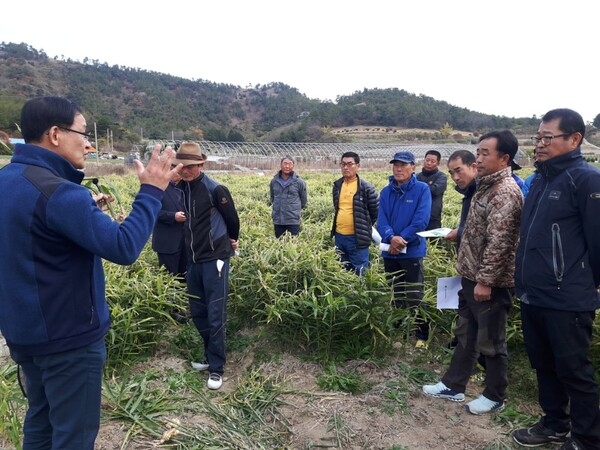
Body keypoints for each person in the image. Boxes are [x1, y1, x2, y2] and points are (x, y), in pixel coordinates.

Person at [0, 96, 179, 449]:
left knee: (41, 419)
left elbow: (30, 236)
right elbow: (124, 247)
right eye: (82, 133)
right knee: (73, 436)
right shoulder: (61, 193)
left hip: (23, 335)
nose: (89, 143)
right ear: (55, 134)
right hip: (67, 340)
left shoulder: (8, 180)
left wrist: (82, 217)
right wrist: (151, 192)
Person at [512, 109, 600, 450]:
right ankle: (553, 423)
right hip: (534, 293)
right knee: (544, 364)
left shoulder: (586, 179)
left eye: (548, 138)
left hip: (567, 297)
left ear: (574, 139)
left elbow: (597, 239)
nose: (540, 144)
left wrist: (588, 283)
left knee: (574, 370)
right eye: (538, 138)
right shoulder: (541, 180)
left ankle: (586, 438)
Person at [422, 130, 523, 415]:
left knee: (491, 341)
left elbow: (500, 243)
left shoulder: (505, 192)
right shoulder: (484, 187)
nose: (478, 158)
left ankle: (495, 395)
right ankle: (453, 385)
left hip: (488, 283)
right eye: (477, 153)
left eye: (484, 154)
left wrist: (486, 281)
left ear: (504, 158)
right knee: (466, 334)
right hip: (470, 276)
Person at [176, 142, 240, 390]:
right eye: (182, 166)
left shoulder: (214, 189)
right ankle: (208, 354)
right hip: (193, 260)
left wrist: (229, 242)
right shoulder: (183, 188)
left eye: (191, 166)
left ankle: (216, 368)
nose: (186, 170)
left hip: (215, 260)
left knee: (215, 314)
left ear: (201, 165)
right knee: (198, 311)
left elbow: (232, 220)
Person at [377, 151, 432, 346]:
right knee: (395, 292)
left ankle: (421, 334)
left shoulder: (422, 189)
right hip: (390, 252)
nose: (398, 169)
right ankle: (399, 329)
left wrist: (401, 240)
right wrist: (391, 238)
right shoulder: (386, 192)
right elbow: (381, 219)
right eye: (396, 165)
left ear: (413, 168)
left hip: (412, 251)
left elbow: (421, 221)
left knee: (415, 293)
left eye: (403, 165)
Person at [331, 151, 379, 276]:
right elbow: (337, 208)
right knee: (342, 268)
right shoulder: (337, 186)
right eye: (343, 164)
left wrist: (362, 226)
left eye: (350, 164)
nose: (346, 167)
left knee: (360, 270)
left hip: (357, 238)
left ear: (358, 166)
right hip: (340, 236)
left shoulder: (367, 188)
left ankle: (361, 294)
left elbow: (375, 212)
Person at [151, 171, 187, 278]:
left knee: (184, 277)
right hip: (167, 243)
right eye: (178, 172)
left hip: (185, 241)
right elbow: (152, 211)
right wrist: (173, 216)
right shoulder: (157, 188)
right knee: (169, 278)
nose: (180, 174)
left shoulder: (185, 187)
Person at [444, 150, 477, 248]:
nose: (455, 177)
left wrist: (459, 233)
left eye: (458, 171)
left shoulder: (482, 193)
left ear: (474, 167)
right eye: (451, 173)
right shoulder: (469, 192)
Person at [269, 156, 307, 237]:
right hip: (278, 220)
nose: (287, 166)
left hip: (293, 220)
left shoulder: (299, 182)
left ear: (293, 166)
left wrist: (294, 210)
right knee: (279, 244)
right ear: (280, 165)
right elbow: (273, 198)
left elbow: (303, 201)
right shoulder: (274, 181)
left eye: (290, 164)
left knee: (293, 245)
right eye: (285, 163)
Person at [416, 149, 447, 230]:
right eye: (427, 160)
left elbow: (434, 190)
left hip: (433, 218)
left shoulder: (441, 177)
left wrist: (417, 189)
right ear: (424, 160)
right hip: (416, 216)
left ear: (438, 163)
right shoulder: (416, 176)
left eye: (432, 161)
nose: (429, 163)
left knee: (433, 241)